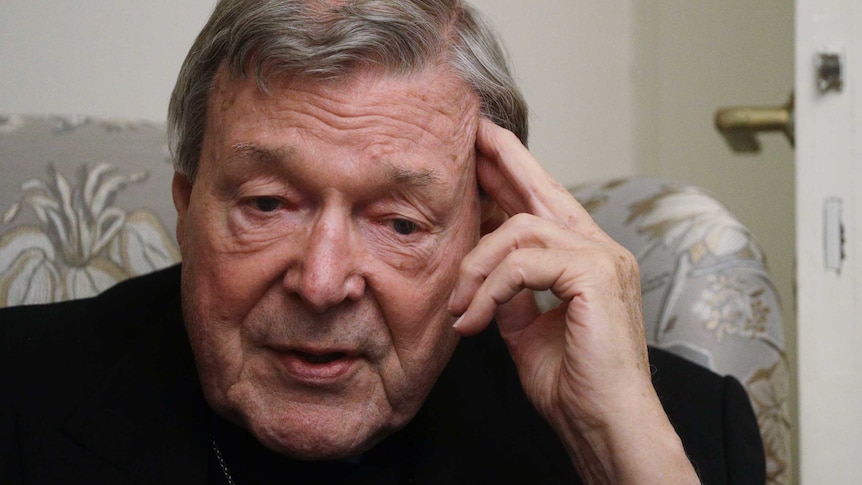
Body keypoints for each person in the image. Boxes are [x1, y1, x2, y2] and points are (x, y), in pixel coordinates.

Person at [0, 0, 765, 483]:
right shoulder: (18, 393)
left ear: (489, 234)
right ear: (186, 207)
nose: (324, 281)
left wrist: (616, 446)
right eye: (268, 203)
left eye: (399, 222)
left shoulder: (675, 434)